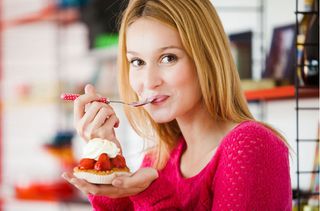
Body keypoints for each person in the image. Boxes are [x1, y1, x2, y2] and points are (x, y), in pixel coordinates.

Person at [62, 0, 292, 210]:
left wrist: (150, 193)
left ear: (207, 59)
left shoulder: (250, 145)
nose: (149, 81)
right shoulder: (158, 160)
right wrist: (109, 160)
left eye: (168, 58)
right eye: (137, 61)